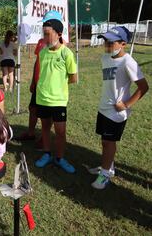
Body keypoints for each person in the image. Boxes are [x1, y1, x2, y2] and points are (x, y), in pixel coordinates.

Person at [88, 26, 149, 189]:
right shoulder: (105, 58)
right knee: (105, 142)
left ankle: (105, 174)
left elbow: (143, 86)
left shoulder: (128, 61)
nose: (107, 44)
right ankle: (108, 167)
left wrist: (126, 104)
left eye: (111, 42)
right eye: (105, 41)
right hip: (104, 108)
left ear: (123, 44)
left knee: (109, 142)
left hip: (116, 112)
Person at [34, 11, 78, 174]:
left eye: (48, 34)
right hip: (42, 98)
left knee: (60, 132)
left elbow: (73, 77)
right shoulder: (43, 52)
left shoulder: (67, 53)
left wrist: (58, 86)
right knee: (45, 127)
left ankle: (59, 158)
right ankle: (46, 154)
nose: (45, 38)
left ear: (59, 34)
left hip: (58, 100)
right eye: (44, 34)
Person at [15, 38, 46, 150]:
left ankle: (44, 138)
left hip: (47, 86)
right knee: (32, 108)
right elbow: (36, 62)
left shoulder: (60, 44)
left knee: (45, 113)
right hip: (37, 84)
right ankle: (31, 133)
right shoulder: (41, 41)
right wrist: (33, 81)